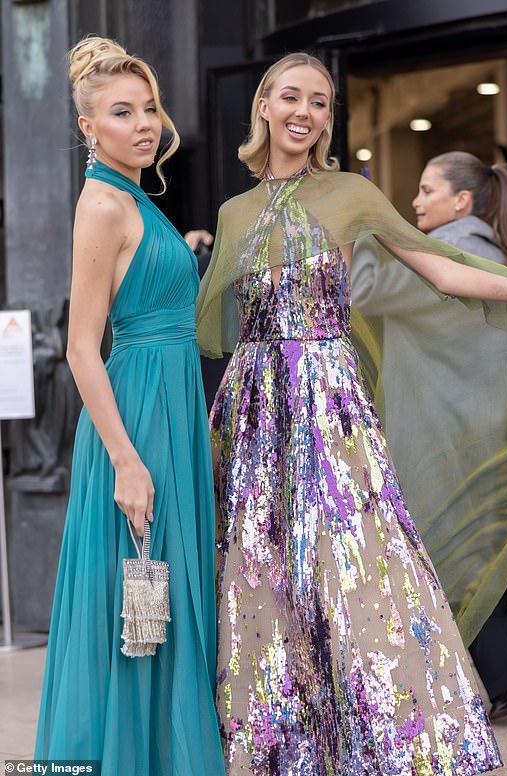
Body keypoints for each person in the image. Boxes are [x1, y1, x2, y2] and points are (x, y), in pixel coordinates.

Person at [195, 52, 507, 774]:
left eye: (322, 103)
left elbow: (443, 267)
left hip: (329, 405)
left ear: (329, 120)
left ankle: (388, 743)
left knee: (361, 568)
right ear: (265, 104)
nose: (306, 112)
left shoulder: (350, 195)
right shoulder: (233, 212)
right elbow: (209, 312)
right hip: (255, 406)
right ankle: (280, 744)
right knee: (264, 573)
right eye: (293, 97)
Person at [34, 37, 224, 773]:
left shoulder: (136, 198)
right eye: (122, 111)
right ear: (89, 128)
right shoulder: (103, 204)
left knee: (158, 610)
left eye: (149, 108)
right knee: (139, 611)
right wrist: (126, 461)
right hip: (138, 421)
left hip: (168, 412)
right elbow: (81, 345)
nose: (145, 123)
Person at [352, 151, 507, 720]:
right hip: (474, 431)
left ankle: (500, 678)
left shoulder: (447, 257)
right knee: (451, 555)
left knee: (434, 558)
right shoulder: (489, 253)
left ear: (461, 201)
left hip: (442, 434)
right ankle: (506, 677)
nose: (415, 202)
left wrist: (361, 228)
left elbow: (362, 290)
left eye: (426, 190)